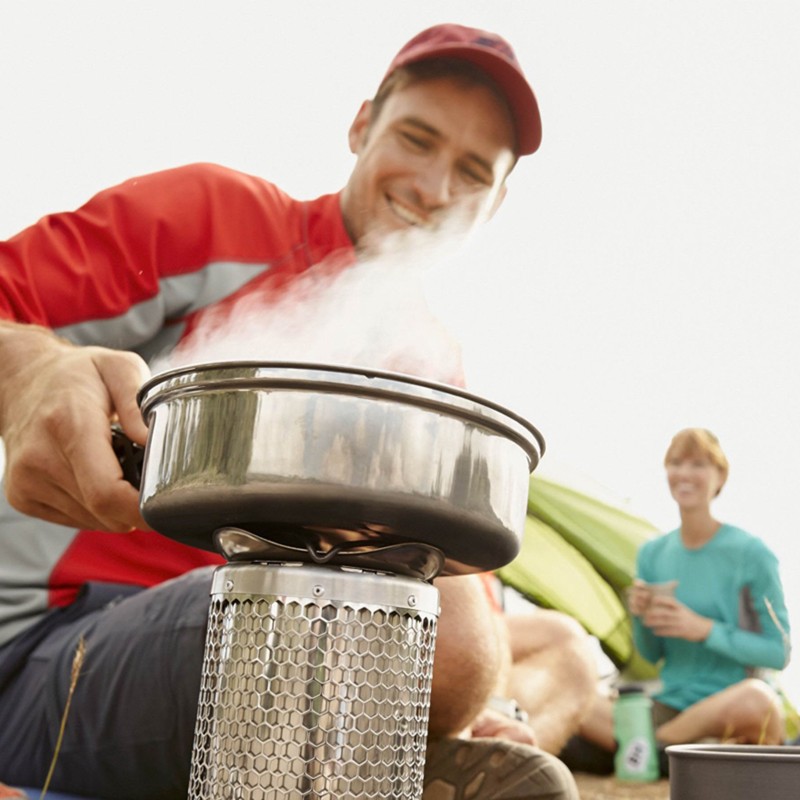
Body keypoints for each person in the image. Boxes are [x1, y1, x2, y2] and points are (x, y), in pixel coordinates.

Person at [0, 23, 579, 800]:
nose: (435, 188)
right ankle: (396, 763)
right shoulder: (215, 220)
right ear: (360, 124)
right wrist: (32, 370)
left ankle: (407, 753)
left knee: (552, 648)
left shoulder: (431, 369)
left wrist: (484, 697)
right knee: (329, 614)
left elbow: (465, 617)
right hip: (52, 648)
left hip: (289, 654)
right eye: (416, 138)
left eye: (473, 171)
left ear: (496, 202)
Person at [564, 428, 791, 772]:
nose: (684, 473)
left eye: (698, 464)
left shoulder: (752, 554)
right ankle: (664, 750)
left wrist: (704, 630)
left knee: (758, 698)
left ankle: (644, 748)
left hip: (727, 703)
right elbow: (653, 655)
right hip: (669, 705)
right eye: (675, 463)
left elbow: (779, 652)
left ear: (720, 476)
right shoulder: (653, 554)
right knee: (572, 695)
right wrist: (640, 616)